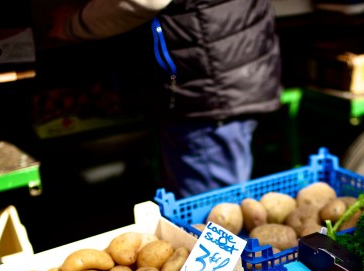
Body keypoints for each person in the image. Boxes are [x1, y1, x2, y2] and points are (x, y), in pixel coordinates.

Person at [48, 0, 283, 199]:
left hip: (205, 90)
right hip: (221, 74)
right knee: (213, 205)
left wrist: (72, 24)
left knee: (211, 218)